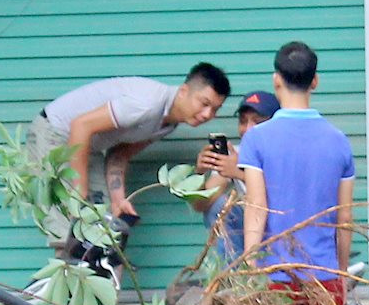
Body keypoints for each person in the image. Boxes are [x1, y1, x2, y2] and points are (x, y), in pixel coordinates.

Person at [239, 41, 355, 305]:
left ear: (276, 80)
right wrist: (340, 273)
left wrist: (249, 267)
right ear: (314, 81)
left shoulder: (256, 139)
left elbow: (256, 206)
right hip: (324, 277)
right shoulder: (339, 141)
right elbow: (345, 218)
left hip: (274, 276)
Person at [29, 62, 230, 217]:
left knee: (102, 225)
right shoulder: (147, 104)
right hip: (55, 134)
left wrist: (118, 200)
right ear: (184, 91)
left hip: (89, 147)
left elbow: (119, 154)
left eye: (215, 109)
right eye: (204, 103)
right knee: (70, 224)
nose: (207, 114)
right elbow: (80, 126)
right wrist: (78, 193)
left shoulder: (169, 123)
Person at [186, 90, 278, 257]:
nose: (248, 129)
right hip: (246, 235)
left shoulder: (284, 154)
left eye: (257, 122)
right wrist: (199, 173)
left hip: (281, 232)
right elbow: (201, 206)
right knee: (221, 205)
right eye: (243, 122)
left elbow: (282, 202)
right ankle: (231, 277)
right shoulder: (236, 154)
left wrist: (239, 173)